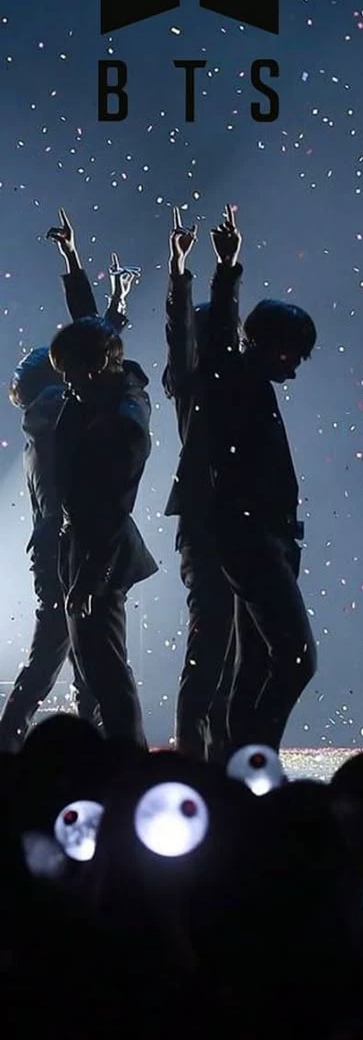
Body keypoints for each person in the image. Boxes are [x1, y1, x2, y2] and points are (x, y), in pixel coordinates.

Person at [0, 210, 136, 751]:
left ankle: (51, 736)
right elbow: (94, 349)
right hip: (67, 550)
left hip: (59, 548)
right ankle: (16, 738)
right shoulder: (56, 411)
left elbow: (94, 348)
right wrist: (104, 301)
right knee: (65, 652)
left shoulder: (43, 418)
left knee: (76, 653)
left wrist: (107, 300)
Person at [203, 204, 318, 752]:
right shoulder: (234, 376)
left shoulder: (254, 383)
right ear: (270, 343)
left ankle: (239, 764)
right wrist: (227, 269)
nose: (295, 366)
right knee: (296, 658)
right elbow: (220, 334)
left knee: (253, 666)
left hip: (266, 538)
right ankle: (256, 758)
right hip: (250, 540)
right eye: (293, 354)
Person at [49, 313, 157, 746]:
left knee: (105, 670)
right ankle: (114, 758)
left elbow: (113, 507)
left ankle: (127, 760)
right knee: (96, 667)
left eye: (69, 370)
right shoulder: (101, 399)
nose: (66, 381)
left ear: (93, 368)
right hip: (85, 547)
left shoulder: (122, 422)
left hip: (100, 553)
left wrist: (90, 577)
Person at [163, 207, 237, 761]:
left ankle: (217, 757)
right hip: (208, 527)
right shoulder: (193, 383)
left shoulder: (237, 387)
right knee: (210, 647)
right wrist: (190, 271)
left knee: (231, 654)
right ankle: (193, 760)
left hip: (236, 524)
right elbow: (182, 333)